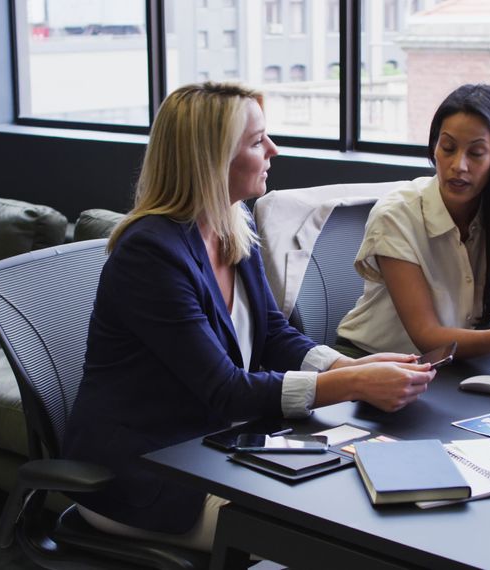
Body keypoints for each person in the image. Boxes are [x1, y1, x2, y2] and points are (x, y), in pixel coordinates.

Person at [61, 82, 436, 552]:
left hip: (213, 447)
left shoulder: (235, 220)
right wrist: (355, 385)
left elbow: (273, 332)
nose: (274, 150)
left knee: (359, 498)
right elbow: (226, 389)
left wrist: (348, 367)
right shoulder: (150, 254)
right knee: (334, 538)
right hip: (142, 474)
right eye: (258, 141)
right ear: (212, 158)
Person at [336, 84, 490, 360]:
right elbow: (426, 335)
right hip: (368, 362)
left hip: (449, 364)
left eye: (476, 153)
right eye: (447, 148)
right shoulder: (396, 215)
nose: (458, 165)